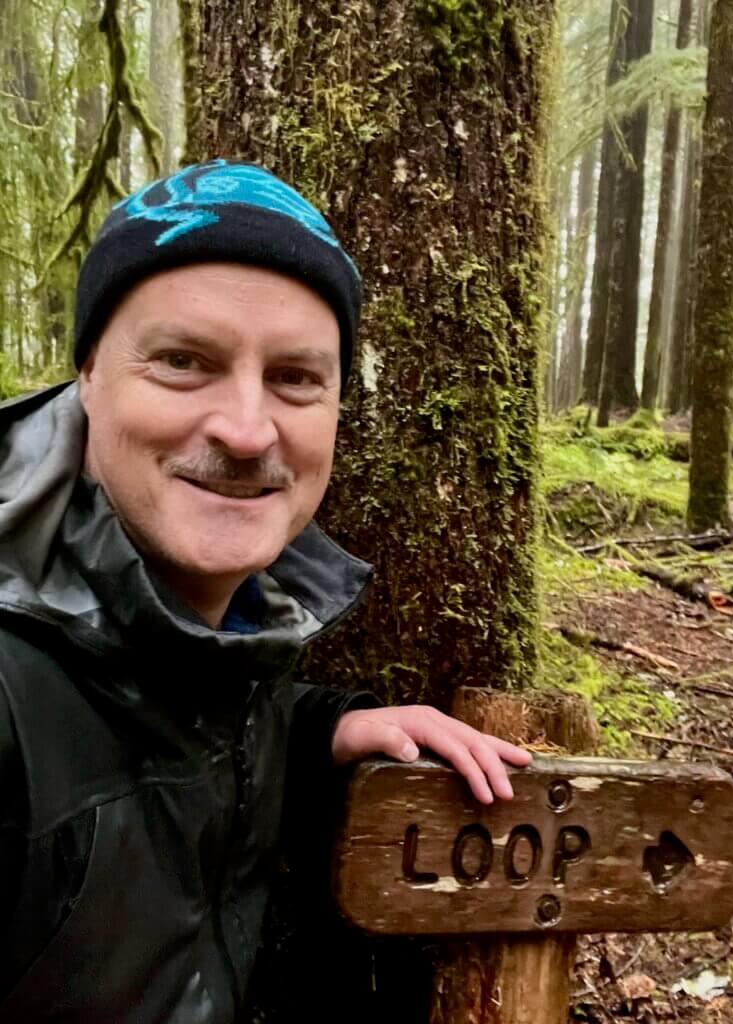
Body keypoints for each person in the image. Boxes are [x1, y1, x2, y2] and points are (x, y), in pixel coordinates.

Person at [0, 159, 531, 1021]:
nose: (247, 431)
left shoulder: (225, 627)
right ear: (89, 373)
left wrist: (317, 729)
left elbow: (142, 709)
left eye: (296, 378)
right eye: (182, 361)